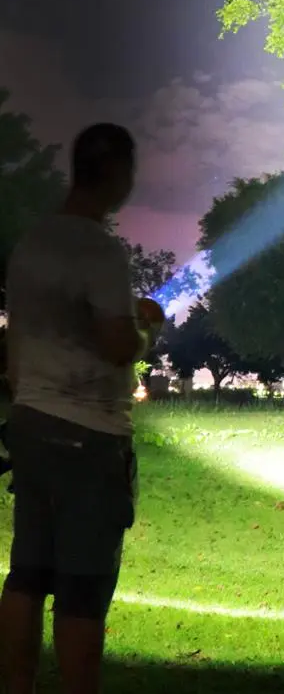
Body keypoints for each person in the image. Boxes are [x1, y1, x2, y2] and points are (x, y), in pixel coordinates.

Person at [0, 123, 163, 694]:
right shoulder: (99, 249)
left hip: (31, 422)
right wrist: (146, 331)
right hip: (89, 436)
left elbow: (19, 340)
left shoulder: (30, 245)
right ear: (119, 174)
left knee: (27, 574)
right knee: (82, 587)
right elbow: (117, 344)